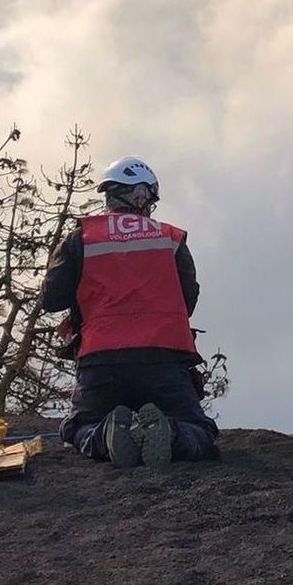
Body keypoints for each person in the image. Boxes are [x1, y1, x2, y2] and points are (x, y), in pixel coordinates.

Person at [42, 157, 220, 467]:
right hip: (165, 360)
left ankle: (105, 435)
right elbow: (187, 300)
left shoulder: (80, 238)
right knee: (199, 429)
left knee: (80, 427)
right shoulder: (171, 238)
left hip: (101, 362)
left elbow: (52, 299)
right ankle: (172, 434)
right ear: (141, 196)